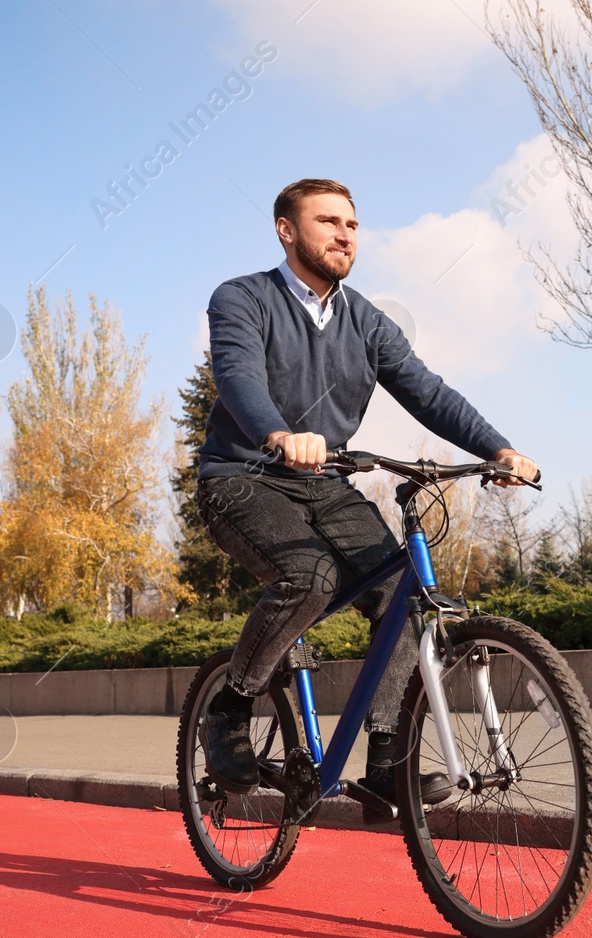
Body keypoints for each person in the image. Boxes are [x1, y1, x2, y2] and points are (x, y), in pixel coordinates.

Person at [195, 177, 537, 819]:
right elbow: (238, 375)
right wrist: (277, 433)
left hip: (324, 482)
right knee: (311, 575)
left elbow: (430, 394)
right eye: (327, 222)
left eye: (351, 225)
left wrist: (498, 449)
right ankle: (231, 706)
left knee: (401, 592)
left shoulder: (367, 322)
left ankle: (387, 766)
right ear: (286, 231)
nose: (343, 234)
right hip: (241, 476)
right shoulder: (243, 299)